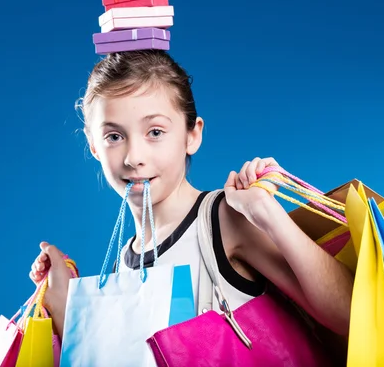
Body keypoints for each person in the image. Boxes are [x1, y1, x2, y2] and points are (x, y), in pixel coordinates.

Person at [29, 49, 354, 356]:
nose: (133, 157)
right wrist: (61, 300)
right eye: (114, 137)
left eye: (155, 132)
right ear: (94, 146)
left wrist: (269, 216)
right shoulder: (122, 264)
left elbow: (349, 317)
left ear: (191, 135)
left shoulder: (224, 221)